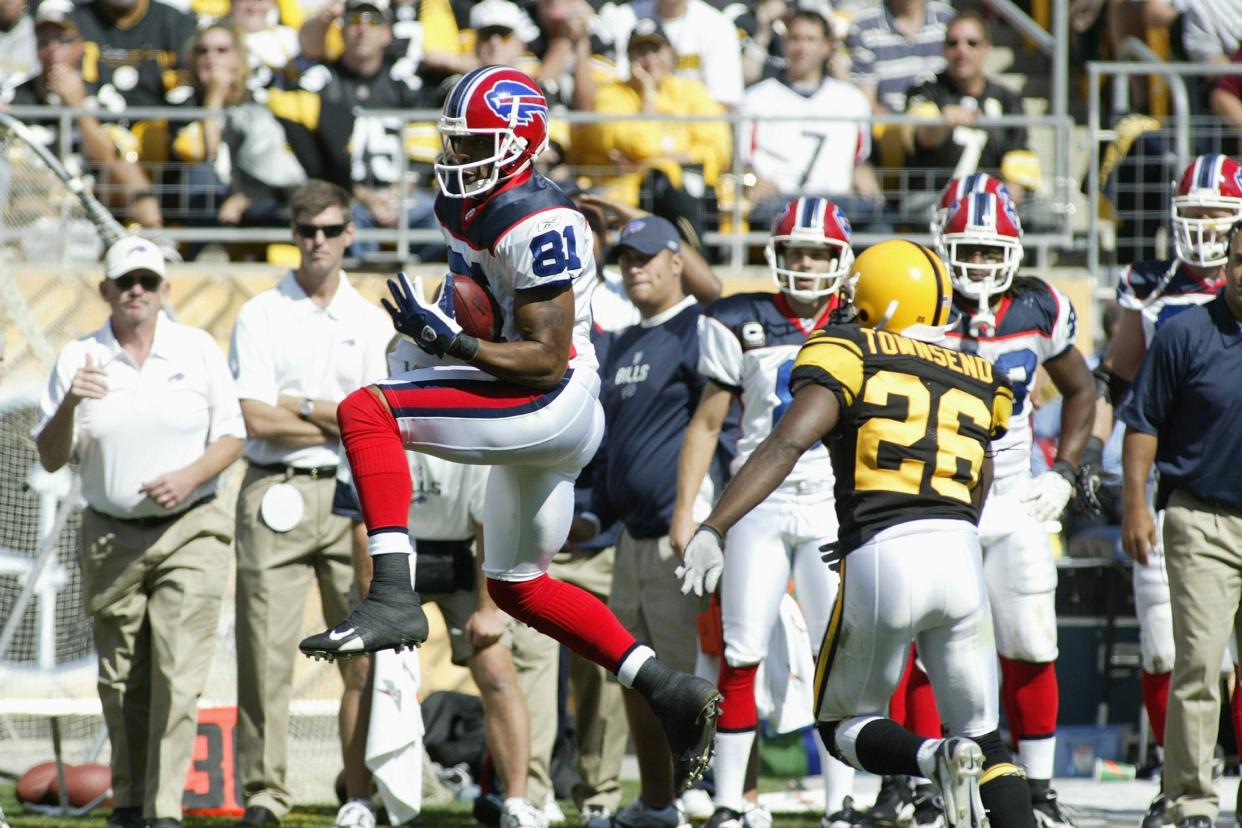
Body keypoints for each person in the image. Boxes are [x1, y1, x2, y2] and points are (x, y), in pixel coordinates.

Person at [297, 66, 722, 804]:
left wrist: (452, 343)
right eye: (455, 143)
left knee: (367, 410)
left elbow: (543, 357)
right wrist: (445, 329)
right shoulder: (469, 204)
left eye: (475, 144)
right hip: (538, 403)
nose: (458, 158)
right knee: (519, 587)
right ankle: (667, 689)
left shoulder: (537, 220)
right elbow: (481, 296)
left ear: (520, 144)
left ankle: (392, 593)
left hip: (550, 399)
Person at [677, 238, 1037, 828]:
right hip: (960, 554)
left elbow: (788, 442)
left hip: (884, 554)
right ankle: (963, 760)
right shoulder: (981, 374)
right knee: (988, 742)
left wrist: (715, 523)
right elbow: (982, 475)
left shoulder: (849, 350)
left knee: (840, 723)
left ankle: (930, 757)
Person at [34, 236, 245, 828]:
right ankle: (129, 801)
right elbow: (51, 458)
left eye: (148, 281)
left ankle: (163, 812)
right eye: (125, 281)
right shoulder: (79, 358)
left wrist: (188, 477)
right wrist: (70, 405)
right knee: (120, 678)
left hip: (192, 527)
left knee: (178, 673)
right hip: (111, 534)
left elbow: (232, 437)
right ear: (104, 290)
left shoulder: (197, 348)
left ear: (165, 292)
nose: (137, 291)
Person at [668, 197, 859, 828]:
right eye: (795, 251)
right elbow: (707, 423)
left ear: (842, 259)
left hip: (836, 505)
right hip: (759, 502)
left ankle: (842, 801)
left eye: (818, 252)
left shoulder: (864, 323)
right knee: (740, 648)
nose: (805, 265)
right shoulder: (738, 319)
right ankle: (728, 801)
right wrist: (687, 513)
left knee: (839, 653)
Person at [228, 179, 394, 827]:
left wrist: (295, 403)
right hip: (276, 487)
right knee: (265, 653)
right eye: (307, 231)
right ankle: (265, 793)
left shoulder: (371, 319)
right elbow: (254, 419)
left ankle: (360, 788)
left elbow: (379, 422)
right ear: (292, 236)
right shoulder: (261, 313)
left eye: (329, 230)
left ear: (349, 233)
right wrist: (336, 418)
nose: (318, 242)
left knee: (363, 649)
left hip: (357, 491)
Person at [1084, 153, 1242, 828]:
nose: (1203, 227)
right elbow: (1117, 383)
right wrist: (1093, 458)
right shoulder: (1153, 287)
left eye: (1216, 213)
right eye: (1194, 213)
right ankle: (1174, 783)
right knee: (1174, 650)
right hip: (1183, 492)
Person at [933, 190, 1096, 828]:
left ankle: (1040, 786)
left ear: (1014, 252)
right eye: (966, 248)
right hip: (938, 498)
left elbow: (1083, 389)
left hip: (1012, 497)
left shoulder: (1038, 304)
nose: (975, 262)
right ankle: (926, 784)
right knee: (929, 645)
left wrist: (1063, 470)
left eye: (988, 249)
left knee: (1031, 640)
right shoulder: (923, 304)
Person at [333, 343, 538, 828]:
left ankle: (517, 800)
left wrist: (490, 611)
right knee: (362, 672)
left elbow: (490, 526)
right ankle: (358, 799)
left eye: (420, 366)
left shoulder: (466, 426)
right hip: (391, 557)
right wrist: (374, 601)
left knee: (496, 669)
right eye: (404, 366)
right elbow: (362, 528)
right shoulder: (368, 419)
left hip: (457, 557)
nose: (412, 374)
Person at [563, 214, 717, 828]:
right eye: (626, 257)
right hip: (627, 539)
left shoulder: (701, 330)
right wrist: (590, 511)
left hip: (682, 538)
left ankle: (723, 796)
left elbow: (713, 427)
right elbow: (608, 451)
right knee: (637, 682)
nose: (635, 267)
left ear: (678, 262)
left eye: (648, 256)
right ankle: (658, 803)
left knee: (695, 680)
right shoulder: (621, 342)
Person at [274, 0, 440, 260]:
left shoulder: (405, 82)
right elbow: (295, 65)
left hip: (404, 196)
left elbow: (423, 150)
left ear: (387, 33)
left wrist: (398, 195)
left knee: (444, 217)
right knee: (338, 220)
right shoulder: (322, 81)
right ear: (340, 31)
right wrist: (365, 197)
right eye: (353, 21)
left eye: (372, 21)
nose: (362, 29)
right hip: (349, 198)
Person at [572, 18, 731, 252]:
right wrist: (648, 95)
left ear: (671, 54)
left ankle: (697, 260)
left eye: (656, 50)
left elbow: (717, 150)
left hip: (679, 198)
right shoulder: (611, 95)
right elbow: (640, 144)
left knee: (663, 179)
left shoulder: (692, 92)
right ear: (629, 59)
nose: (650, 60)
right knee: (657, 180)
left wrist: (649, 162)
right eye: (641, 52)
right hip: (623, 200)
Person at [1, 0, 162, 229]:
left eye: (63, 40)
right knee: (29, 204)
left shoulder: (103, 93)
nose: (53, 50)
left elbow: (109, 158)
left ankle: (158, 242)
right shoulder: (15, 95)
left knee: (129, 173)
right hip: (37, 192)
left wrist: (78, 107)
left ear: (81, 46)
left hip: (91, 194)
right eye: (45, 42)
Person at [740, 10, 887, 232]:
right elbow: (743, 163)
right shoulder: (756, 98)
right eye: (795, 39)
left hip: (839, 205)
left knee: (881, 226)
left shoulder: (852, 100)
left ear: (827, 45)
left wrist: (865, 176)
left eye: (810, 40)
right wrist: (754, 180)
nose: (802, 47)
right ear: (785, 43)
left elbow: (860, 161)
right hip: (779, 203)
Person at [170, 23, 306, 230]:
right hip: (210, 197)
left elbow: (273, 165)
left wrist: (245, 197)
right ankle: (209, 248)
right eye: (202, 51)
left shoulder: (261, 100)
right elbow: (208, 153)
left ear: (239, 57)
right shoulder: (180, 103)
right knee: (201, 174)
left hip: (263, 194)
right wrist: (214, 97)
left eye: (221, 50)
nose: (211, 57)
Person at [904, 12, 1033, 197]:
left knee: (1043, 216)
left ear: (988, 47)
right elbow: (923, 137)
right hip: (933, 199)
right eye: (953, 43)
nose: (962, 51)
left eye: (972, 43)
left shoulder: (1008, 99)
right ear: (943, 48)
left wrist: (1002, 204)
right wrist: (943, 122)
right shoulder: (924, 90)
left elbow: (1019, 164)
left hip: (991, 204)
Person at [67, 0, 197, 109]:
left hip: (158, 128)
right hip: (94, 123)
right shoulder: (74, 21)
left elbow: (189, 84)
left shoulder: (174, 22)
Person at [844, 0, 954, 115]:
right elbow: (867, 104)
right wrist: (905, 129)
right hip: (886, 129)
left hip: (946, 123)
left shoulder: (948, 20)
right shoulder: (863, 27)